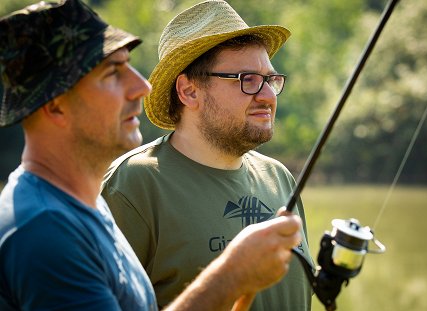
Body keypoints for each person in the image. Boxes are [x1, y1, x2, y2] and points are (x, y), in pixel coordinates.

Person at [0, 0, 304, 310]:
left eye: (270, 79)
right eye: (112, 73)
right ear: (55, 105)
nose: (142, 86)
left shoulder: (85, 210)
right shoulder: (44, 227)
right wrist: (231, 275)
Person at [101, 0, 313, 310]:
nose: (267, 96)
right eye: (248, 80)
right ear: (189, 92)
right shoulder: (133, 185)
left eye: (270, 80)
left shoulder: (279, 177)